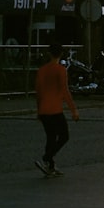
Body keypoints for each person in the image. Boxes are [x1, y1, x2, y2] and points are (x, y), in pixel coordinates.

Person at [35, 43, 79, 177]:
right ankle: (46, 158)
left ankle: (50, 166)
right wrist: (74, 111)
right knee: (64, 136)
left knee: (51, 137)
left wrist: (38, 111)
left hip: (44, 110)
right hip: (55, 110)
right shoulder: (61, 70)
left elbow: (39, 92)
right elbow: (65, 92)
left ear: (49, 53)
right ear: (61, 54)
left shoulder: (41, 70)